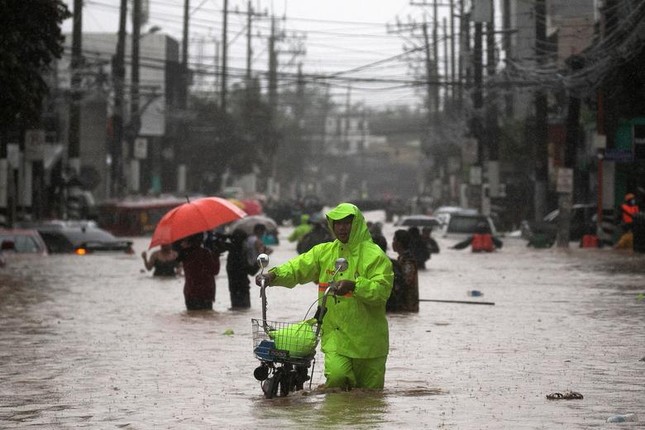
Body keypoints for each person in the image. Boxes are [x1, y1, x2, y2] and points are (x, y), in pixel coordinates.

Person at [255, 203, 394, 390]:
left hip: (369, 342)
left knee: (370, 397)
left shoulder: (374, 255)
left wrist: (354, 286)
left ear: (358, 224)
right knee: (337, 378)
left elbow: (381, 291)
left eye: (347, 223)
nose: (342, 228)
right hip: (336, 337)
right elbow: (298, 267)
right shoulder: (324, 252)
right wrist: (273, 275)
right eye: (337, 223)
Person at [177, 233, 220, 310]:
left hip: (190, 292)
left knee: (192, 318)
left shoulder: (184, 253)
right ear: (201, 240)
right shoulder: (205, 253)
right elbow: (215, 271)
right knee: (205, 319)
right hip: (206, 292)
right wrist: (216, 256)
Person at [222, 229, 257, 309]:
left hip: (234, 289)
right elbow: (252, 271)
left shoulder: (232, 254)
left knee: (237, 311)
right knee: (243, 310)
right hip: (242, 289)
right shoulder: (239, 255)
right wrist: (261, 259)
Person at [390, 229, 419, 312]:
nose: (392, 243)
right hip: (403, 306)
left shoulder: (408, 261)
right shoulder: (401, 259)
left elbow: (406, 282)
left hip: (408, 306)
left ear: (399, 243)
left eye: (394, 240)